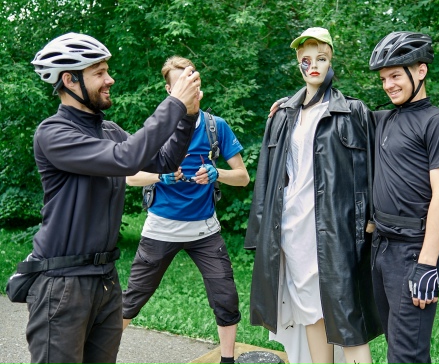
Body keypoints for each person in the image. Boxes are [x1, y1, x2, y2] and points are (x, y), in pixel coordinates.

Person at [24, 32, 201, 364]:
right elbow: (126, 159)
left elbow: (164, 161)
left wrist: (188, 115)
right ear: (70, 80)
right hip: (63, 283)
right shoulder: (53, 133)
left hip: (105, 280)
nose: (110, 79)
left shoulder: (110, 131)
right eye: (99, 73)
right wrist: (174, 103)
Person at [245, 27, 382, 364]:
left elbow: (374, 170)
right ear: (298, 63)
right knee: (310, 310)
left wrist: (372, 218)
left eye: (321, 58)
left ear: (331, 60)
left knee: (347, 313)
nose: (314, 65)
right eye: (307, 59)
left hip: (338, 229)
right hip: (293, 227)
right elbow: (268, 176)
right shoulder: (283, 114)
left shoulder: (353, 111)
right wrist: (259, 231)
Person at [122, 56, 249, 364]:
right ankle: (100, 355)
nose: (189, 86)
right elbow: (129, 177)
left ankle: (227, 361)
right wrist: (160, 176)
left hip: (205, 230)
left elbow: (243, 177)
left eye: (193, 79)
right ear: (170, 89)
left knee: (226, 297)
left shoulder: (216, 126)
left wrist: (217, 173)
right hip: (161, 228)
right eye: (181, 82)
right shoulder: (156, 128)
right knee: (132, 299)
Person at [368, 31, 439, 363]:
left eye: (395, 75)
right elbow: (339, 114)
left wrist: (426, 264)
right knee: (395, 343)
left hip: (413, 251)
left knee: (407, 353)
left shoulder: (438, 123)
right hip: (382, 246)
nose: (388, 85)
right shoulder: (384, 119)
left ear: (420, 70)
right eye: (383, 79)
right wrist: (295, 104)